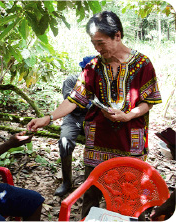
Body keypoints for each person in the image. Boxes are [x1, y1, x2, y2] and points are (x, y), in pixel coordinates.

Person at [27, 11, 162, 218]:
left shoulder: (143, 64)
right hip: (98, 140)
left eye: (101, 43)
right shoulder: (93, 67)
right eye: (94, 44)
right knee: (92, 191)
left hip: (130, 141)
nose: (98, 49)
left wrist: (128, 115)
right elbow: (74, 99)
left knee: (130, 193)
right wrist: (49, 118)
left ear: (117, 35)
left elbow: (148, 101)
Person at [55, 56, 95, 196]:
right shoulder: (71, 80)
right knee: (65, 141)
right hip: (73, 117)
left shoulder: (100, 82)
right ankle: (67, 181)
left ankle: (91, 183)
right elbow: (70, 103)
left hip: (92, 118)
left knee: (96, 144)